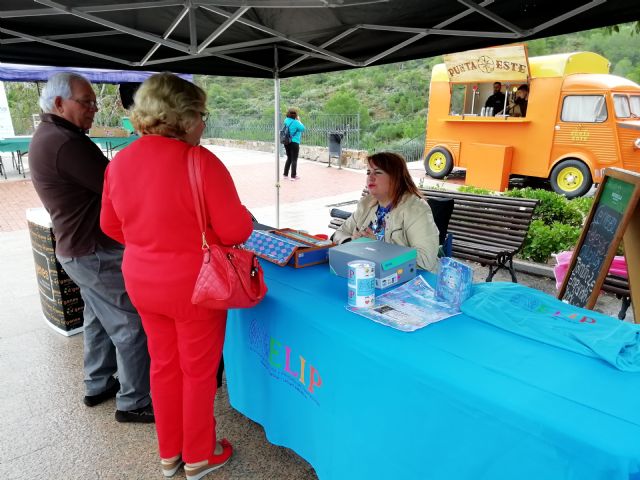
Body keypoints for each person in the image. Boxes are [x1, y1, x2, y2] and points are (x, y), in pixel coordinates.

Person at [100, 72, 253, 479]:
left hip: (142, 281)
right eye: (201, 114)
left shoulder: (120, 162)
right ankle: (199, 455)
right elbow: (236, 230)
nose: (203, 123)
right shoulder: (200, 161)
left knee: (163, 365)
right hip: (195, 286)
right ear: (181, 117)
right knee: (198, 371)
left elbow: (110, 225)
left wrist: (150, 243)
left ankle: (170, 453)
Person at [29, 72, 153, 424]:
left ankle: (98, 383)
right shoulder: (66, 143)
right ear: (58, 103)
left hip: (77, 248)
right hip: (93, 250)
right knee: (130, 324)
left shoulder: (50, 135)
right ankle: (133, 401)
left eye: (94, 102)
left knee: (97, 318)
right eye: (86, 102)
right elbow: (118, 187)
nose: (94, 109)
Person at [332, 152, 440, 272]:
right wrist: (352, 242)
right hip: (369, 274)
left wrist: (379, 247)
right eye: (368, 172)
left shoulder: (416, 209)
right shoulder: (366, 204)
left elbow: (426, 260)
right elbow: (339, 233)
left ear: (395, 177)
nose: (370, 177)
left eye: (377, 172)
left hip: (411, 279)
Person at [282, 107, 305, 180]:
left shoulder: (286, 120)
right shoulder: (296, 122)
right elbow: (303, 129)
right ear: (296, 115)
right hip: (294, 142)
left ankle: (285, 174)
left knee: (289, 158)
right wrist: (299, 120)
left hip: (286, 141)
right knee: (294, 159)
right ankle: (293, 176)